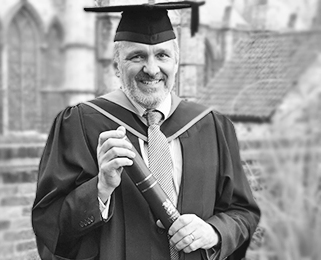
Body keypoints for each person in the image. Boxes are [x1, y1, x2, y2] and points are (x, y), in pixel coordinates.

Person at [32, 2, 260, 260]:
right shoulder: (80, 123)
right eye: (136, 56)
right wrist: (100, 189)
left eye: (162, 55)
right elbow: (49, 225)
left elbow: (243, 213)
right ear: (117, 65)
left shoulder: (212, 126)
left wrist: (215, 232)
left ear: (176, 61)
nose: (151, 69)